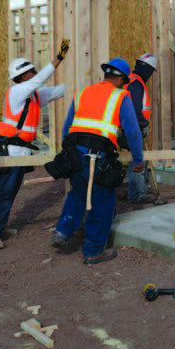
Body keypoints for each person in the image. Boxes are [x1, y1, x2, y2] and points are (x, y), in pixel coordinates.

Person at [50, 58, 144, 265]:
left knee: (77, 193)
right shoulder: (121, 96)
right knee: (103, 201)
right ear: (120, 79)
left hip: (75, 154)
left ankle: (63, 231)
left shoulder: (83, 93)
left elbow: (67, 128)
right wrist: (138, 158)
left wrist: (70, 152)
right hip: (98, 157)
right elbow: (133, 131)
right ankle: (93, 251)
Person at [0, 39, 69, 250]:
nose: (34, 73)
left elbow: (62, 90)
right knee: (5, 191)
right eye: (31, 71)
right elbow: (41, 79)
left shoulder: (35, 96)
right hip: (11, 151)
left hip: (21, 152)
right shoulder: (17, 92)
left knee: (11, 190)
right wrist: (58, 59)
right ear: (22, 77)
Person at [123, 53, 158, 204]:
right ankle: (137, 194)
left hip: (127, 125)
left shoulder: (129, 80)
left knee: (138, 158)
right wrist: (143, 125)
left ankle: (140, 187)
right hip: (133, 127)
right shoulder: (136, 83)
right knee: (138, 159)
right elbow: (135, 108)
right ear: (147, 69)